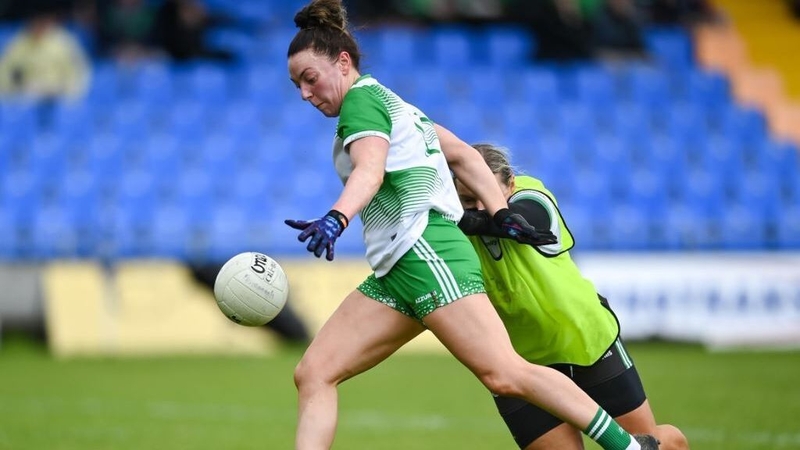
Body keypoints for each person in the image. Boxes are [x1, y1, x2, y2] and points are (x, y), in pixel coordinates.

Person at [282, 1, 659, 449]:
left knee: (505, 371)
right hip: (398, 268)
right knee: (314, 373)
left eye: (310, 78)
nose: (305, 93)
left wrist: (337, 216)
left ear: (343, 62)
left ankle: (630, 446)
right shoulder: (393, 104)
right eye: (296, 85)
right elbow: (461, 153)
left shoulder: (361, 105)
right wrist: (500, 213)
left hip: (425, 251)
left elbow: (370, 170)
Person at [454, 143, 690, 450]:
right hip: (517, 361)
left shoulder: (531, 196)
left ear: (510, 182)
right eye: (467, 199)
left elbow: (515, 222)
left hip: (584, 341)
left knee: (649, 446)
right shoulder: (450, 217)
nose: (480, 206)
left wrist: (458, 215)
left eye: (485, 194)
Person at [0, 7, 91, 100]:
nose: (39, 25)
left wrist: (63, 92)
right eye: (36, 20)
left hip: (58, 99)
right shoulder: (17, 44)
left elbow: (78, 75)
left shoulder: (65, 43)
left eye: (43, 20)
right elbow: (4, 74)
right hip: (25, 99)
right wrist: (17, 90)